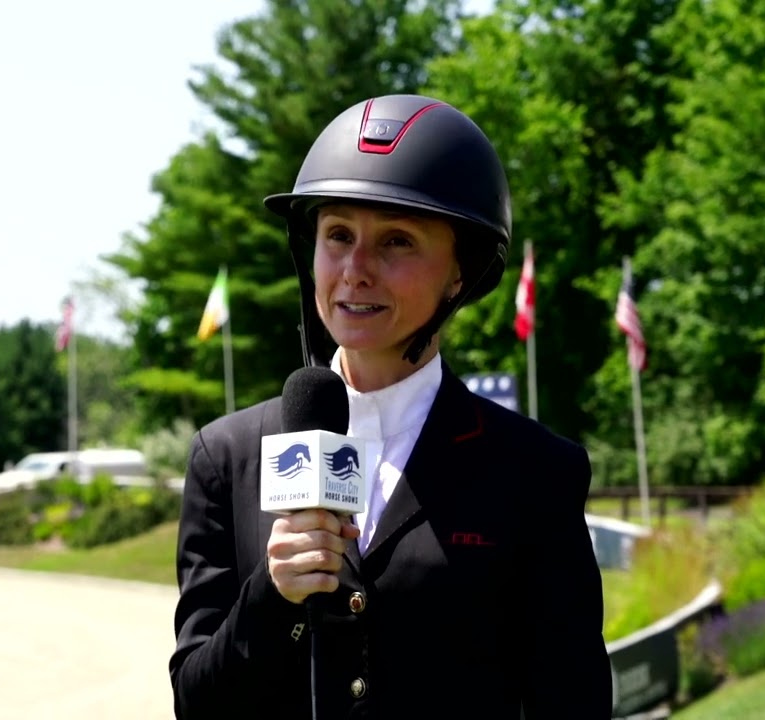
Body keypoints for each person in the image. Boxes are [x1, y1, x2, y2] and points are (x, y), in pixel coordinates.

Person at [169, 94, 613, 719]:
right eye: (338, 236)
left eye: (396, 242)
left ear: (460, 274)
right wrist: (272, 597)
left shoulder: (536, 474)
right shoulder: (227, 457)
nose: (355, 270)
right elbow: (197, 704)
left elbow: (571, 705)